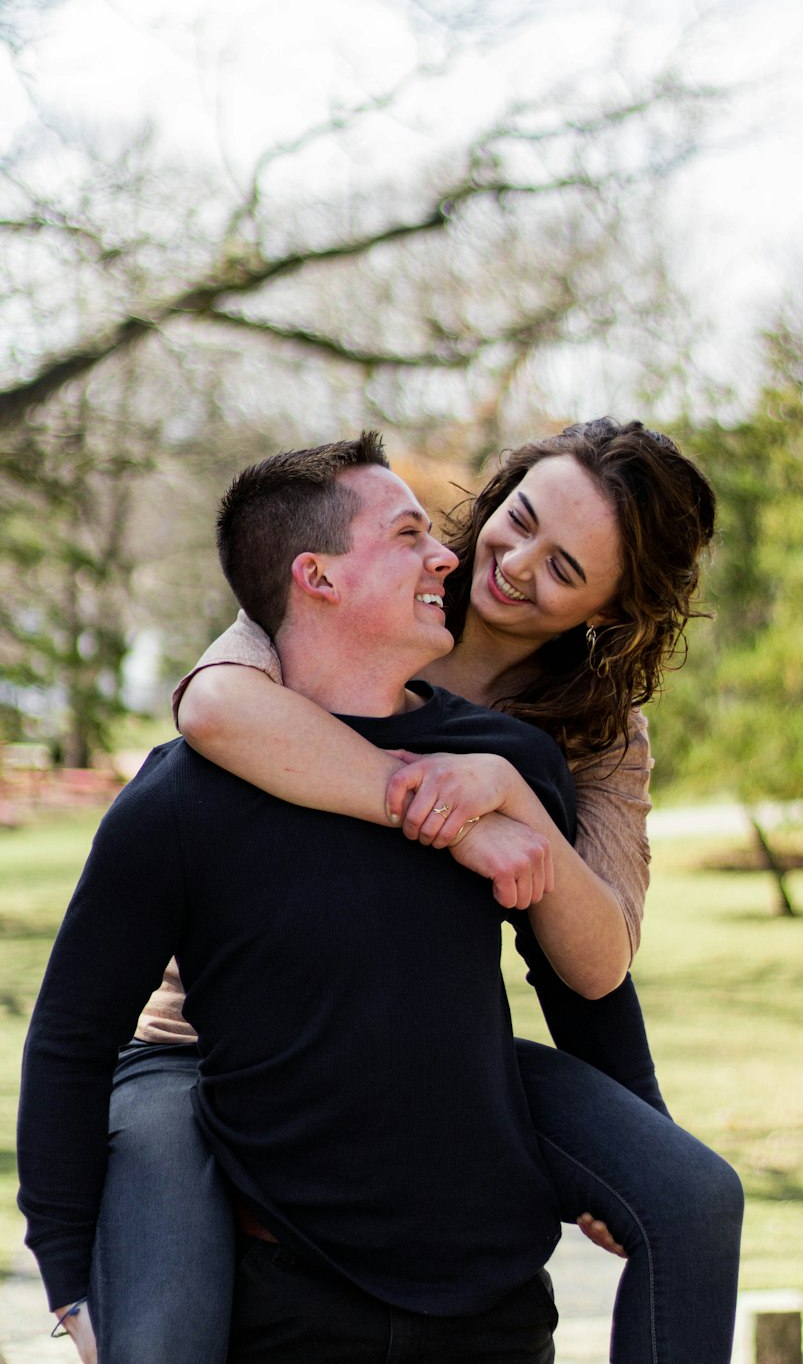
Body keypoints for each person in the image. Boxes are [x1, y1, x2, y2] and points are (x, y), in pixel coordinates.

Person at [143, 418, 745, 1363]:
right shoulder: (364, 579)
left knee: (692, 1194)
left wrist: (518, 802)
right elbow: (216, 706)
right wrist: (454, 815)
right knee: (165, 1326)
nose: (514, 564)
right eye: (520, 520)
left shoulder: (595, 734)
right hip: (216, 1032)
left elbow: (592, 963)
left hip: (432, 1036)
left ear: (611, 609)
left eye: (565, 569)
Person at [18, 436, 589, 1364]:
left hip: (498, 1306)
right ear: (317, 577)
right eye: (409, 535)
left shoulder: (507, 766)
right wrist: (68, 1272)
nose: (449, 554)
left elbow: (579, 981)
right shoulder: (179, 801)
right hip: (288, 1307)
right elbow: (72, 1035)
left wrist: (643, 1158)